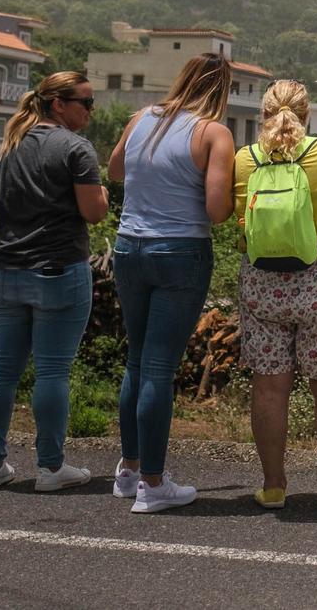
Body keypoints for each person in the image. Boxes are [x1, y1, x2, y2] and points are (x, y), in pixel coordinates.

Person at [231, 79, 317, 511]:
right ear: (307, 115)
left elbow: (232, 216)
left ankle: (274, 487)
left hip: (261, 283)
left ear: (263, 117)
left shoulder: (244, 160)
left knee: (269, 386)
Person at [105, 52, 236, 513]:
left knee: (136, 363)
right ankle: (154, 485)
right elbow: (218, 211)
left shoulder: (142, 118)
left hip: (128, 249)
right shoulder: (214, 133)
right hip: (180, 254)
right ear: (222, 90)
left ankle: (128, 470)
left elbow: (114, 171)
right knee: (159, 368)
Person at [0, 71, 109, 492]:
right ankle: (51, 468)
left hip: (5, 270)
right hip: (57, 272)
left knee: (1, 369)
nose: (91, 110)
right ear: (59, 105)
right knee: (52, 371)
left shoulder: (12, 143)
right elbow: (94, 212)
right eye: (85, 102)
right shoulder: (76, 148)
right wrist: (104, 193)